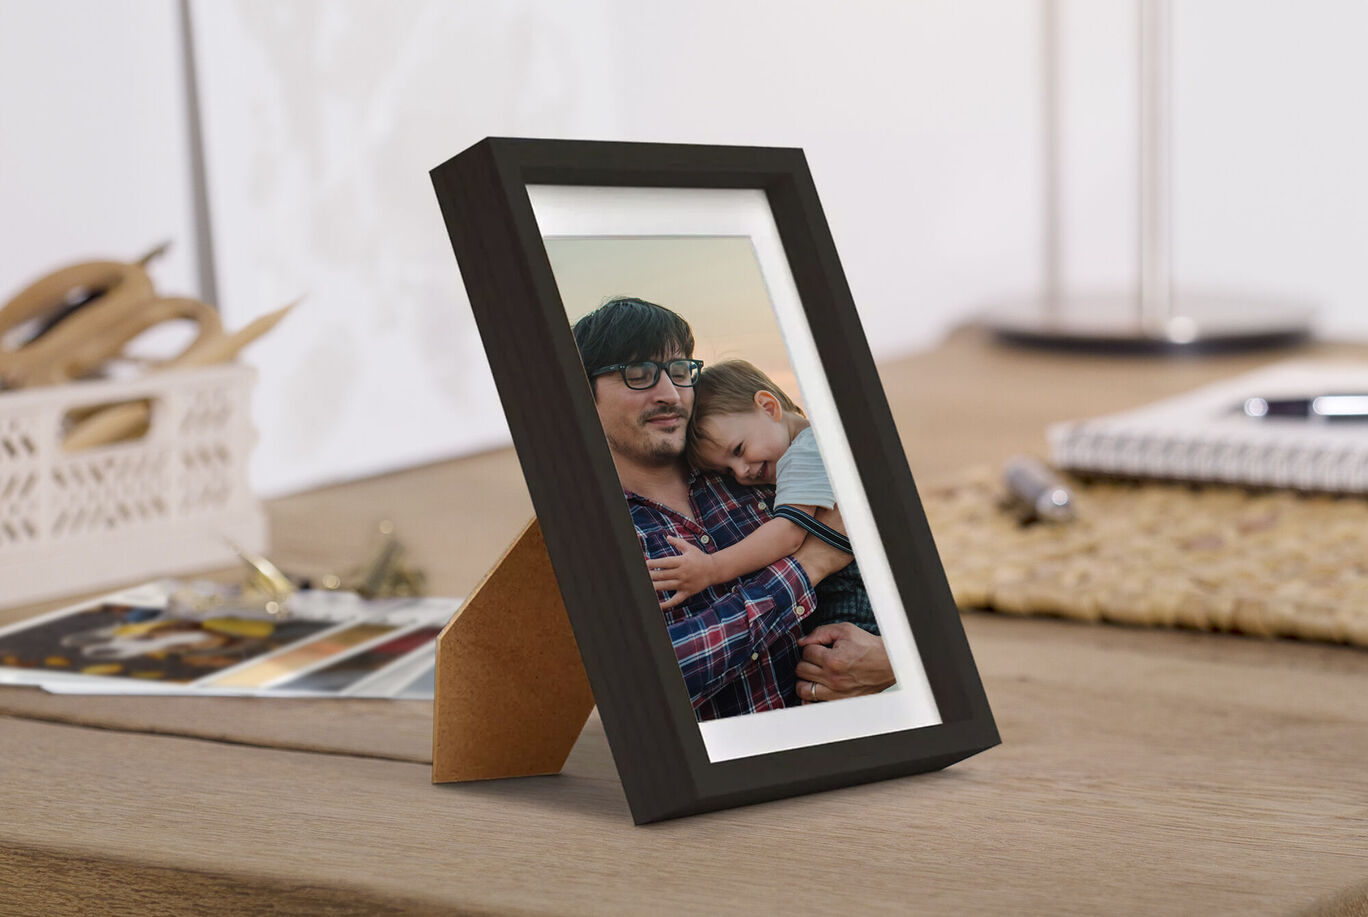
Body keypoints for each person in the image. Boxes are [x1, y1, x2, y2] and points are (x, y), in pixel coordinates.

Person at [571, 296, 893, 719]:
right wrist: (811, 564)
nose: (670, 394)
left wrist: (891, 660)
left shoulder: (757, 474)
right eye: (638, 375)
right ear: (581, 395)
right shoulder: (589, 534)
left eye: (680, 372)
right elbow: (645, 683)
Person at [653, 359, 880, 639]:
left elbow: (788, 535)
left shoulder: (805, 452)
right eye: (726, 470)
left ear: (768, 407)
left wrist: (712, 568)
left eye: (738, 449)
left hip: (851, 594)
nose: (740, 473)